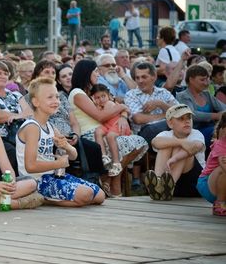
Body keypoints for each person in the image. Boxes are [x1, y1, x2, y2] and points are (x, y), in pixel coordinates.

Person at [17, 77, 105, 206]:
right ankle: (44, 199)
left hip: (53, 176)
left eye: (57, 97)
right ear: (36, 102)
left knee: (100, 196)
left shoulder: (50, 127)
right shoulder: (32, 127)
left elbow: (73, 155)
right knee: (86, 195)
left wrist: (67, 147)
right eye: (50, 97)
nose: (56, 101)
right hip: (37, 180)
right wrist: (58, 163)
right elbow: (30, 166)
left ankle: (50, 198)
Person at [70, 59, 148, 197]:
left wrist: (123, 116)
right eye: (95, 71)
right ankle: (114, 185)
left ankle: (110, 179)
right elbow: (100, 116)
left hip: (105, 130)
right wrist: (122, 107)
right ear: (86, 73)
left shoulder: (93, 93)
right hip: (91, 135)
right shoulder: (77, 93)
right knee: (124, 144)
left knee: (138, 142)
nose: (98, 74)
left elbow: (113, 105)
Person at [145, 104, 206, 201]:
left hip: (195, 184)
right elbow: (155, 142)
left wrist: (175, 158)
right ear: (170, 124)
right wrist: (181, 142)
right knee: (166, 146)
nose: (186, 121)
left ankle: (168, 186)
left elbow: (196, 146)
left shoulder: (196, 133)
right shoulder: (166, 134)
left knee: (184, 150)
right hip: (176, 187)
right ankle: (159, 184)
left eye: (189, 118)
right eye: (181, 119)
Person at [176, 64, 226, 150]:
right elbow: (192, 114)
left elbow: (223, 107)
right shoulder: (182, 96)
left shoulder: (206, 94)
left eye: (207, 79)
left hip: (212, 130)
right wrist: (216, 115)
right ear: (191, 79)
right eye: (202, 79)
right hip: (193, 133)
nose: (206, 83)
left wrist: (223, 114)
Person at [90, 84, 131, 175]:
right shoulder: (100, 106)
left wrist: (123, 115)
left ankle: (116, 163)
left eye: (103, 96)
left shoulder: (110, 103)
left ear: (109, 96)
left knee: (110, 136)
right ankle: (104, 156)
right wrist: (95, 104)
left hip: (118, 125)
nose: (101, 99)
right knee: (98, 131)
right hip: (108, 126)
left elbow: (127, 109)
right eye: (97, 98)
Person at [197, 113, 226, 216]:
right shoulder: (220, 144)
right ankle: (220, 203)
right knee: (223, 169)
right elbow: (223, 166)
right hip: (208, 184)